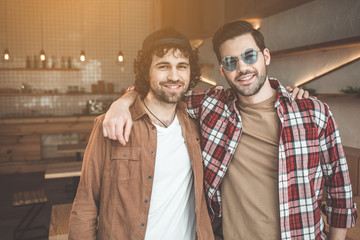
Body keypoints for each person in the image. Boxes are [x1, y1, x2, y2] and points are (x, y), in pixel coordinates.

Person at [102, 21, 357, 239]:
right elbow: (160, 92)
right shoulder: (211, 106)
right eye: (230, 61)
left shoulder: (313, 113)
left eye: (249, 56)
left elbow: (340, 194)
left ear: (265, 56)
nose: (242, 68)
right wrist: (122, 102)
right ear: (222, 70)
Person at [68, 27, 214, 240]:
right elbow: (85, 203)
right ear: (147, 71)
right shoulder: (111, 125)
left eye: (182, 66)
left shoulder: (196, 124)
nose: (174, 76)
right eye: (163, 66)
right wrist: (123, 102)